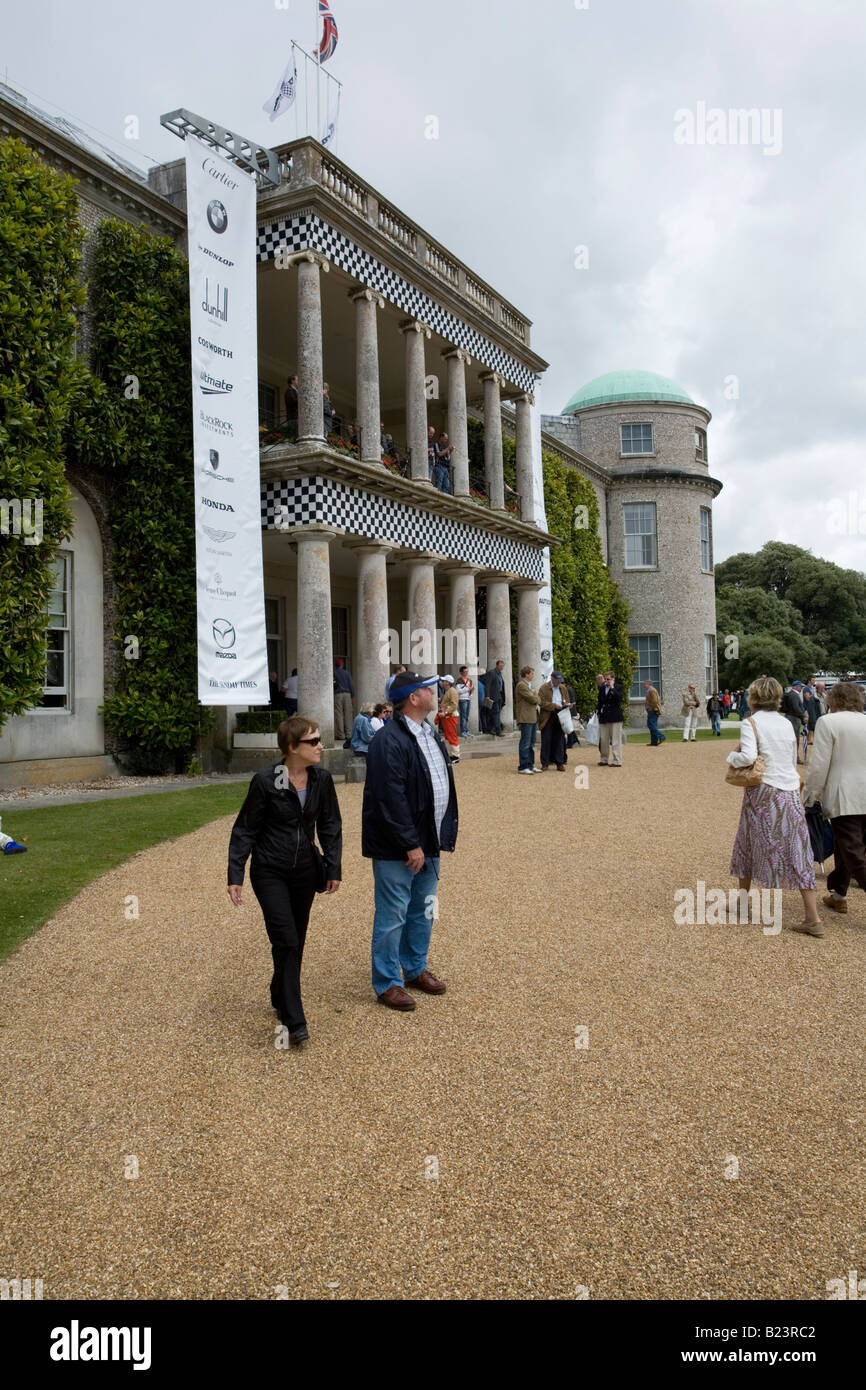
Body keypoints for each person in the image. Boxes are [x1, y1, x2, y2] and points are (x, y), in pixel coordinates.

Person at [227, 716, 342, 1044]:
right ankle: (294, 1019)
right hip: (269, 871)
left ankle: (279, 993)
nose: (321, 746)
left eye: (320, 740)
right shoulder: (266, 781)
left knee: (295, 941)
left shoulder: (322, 780)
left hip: (305, 872)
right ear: (292, 747)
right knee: (286, 939)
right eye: (314, 741)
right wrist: (235, 874)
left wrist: (333, 868)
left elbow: (331, 825)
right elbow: (245, 828)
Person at [362, 670, 457, 1010]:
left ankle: (415, 966)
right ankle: (387, 981)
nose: (435, 692)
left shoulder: (428, 732)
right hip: (399, 847)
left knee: (423, 910)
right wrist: (410, 843)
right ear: (414, 698)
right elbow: (390, 798)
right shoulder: (388, 740)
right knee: (393, 914)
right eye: (428, 689)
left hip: (428, 840)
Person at [726, 676, 821, 936]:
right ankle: (812, 916)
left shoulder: (751, 723)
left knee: (747, 840)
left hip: (763, 790)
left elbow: (746, 756)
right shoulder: (785, 723)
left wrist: (730, 755)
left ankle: (743, 901)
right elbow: (791, 759)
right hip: (789, 788)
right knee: (798, 848)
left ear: (753, 697)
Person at [803, 681, 866, 922]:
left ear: (834, 700)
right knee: (846, 848)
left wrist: (809, 797)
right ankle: (838, 895)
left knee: (854, 853)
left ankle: (839, 893)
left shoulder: (828, 722)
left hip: (846, 794)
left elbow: (819, 766)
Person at [538, 670, 573, 771]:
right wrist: (553, 706)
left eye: (560, 681)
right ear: (552, 679)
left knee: (559, 739)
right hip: (548, 715)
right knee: (546, 740)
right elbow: (541, 703)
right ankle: (545, 763)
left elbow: (567, 699)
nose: (559, 683)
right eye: (557, 680)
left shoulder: (563, 688)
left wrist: (567, 705)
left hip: (561, 714)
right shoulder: (544, 688)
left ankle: (559, 762)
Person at [515, 665, 542, 772]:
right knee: (525, 742)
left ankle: (530, 764)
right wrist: (534, 695)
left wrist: (534, 696)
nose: (533, 675)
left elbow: (538, 698)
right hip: (525, 717)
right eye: (531, 673)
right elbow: (532, 699)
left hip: (532, 716)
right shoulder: (521, 685)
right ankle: (523, 766)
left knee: (531, 743)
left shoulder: (529, 686)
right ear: (526, 674)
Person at [596, 671, 624, 766]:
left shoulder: (618, 687)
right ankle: (604, 759)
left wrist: (612, 687)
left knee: (616, 740)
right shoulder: (602, 688)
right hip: (604, 717)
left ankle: (617, 760)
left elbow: (619, 699)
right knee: (604, 739)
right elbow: (600, 701)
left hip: (615, 717)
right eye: (605, 679)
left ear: (613, 679)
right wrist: (598, 710)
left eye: (608, 679)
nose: (606, 681)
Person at [435, 674, 460, 763]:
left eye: (444, 681)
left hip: (450, 716)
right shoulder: (449, 691)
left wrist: (445, 712)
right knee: (448, 735)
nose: (442, 682)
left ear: (447, 683)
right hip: (448, 716)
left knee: (451, 735)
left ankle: (456, 755)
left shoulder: (452, 691)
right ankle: (452, 754)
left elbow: (454, 705)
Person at [781, 681, 807, 764]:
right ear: (795, 687)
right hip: (794, 718)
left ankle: (792, 756)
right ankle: (795, 757)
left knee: (791, 738)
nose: (801, 688)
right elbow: (796, 708)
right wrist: (803, 716)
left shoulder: (791, 694)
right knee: (795, 738)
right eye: (800, 687)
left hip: (790, 717)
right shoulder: (794, 695)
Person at [333, 659, 355, 747]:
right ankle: (349, 734)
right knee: (348, 714)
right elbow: (351, 685)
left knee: (339, 714)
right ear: (342, 665)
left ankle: (341, 735)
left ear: (335, 665)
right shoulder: (347, 673)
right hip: (347, 694)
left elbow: (333, 684)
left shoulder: (334, 673)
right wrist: (352, 696)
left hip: (338, 694)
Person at [485, 658, 506, 737]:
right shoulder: (492, 673)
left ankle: (490, 729)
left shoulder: (499, 674)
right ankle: (498, 731)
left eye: (502, 666)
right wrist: (487, 695)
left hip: (500, 696)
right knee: (496, 713)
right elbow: (488, 685)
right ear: (497, 665)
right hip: (493, 696)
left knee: (494, 713)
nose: (501, 667)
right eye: (500, 666)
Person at [644, 680, 666, 745]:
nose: (644, 685)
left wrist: (650, 708)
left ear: (649, 684)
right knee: (653, 725)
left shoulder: (652, 690)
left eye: (645, 684)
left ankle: (662, 736)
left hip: (653, 710)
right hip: (652, 710)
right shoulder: (650, 690)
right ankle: (654, 742)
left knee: (650, 725)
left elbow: (654, 701)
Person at [455, 665, 474, 738]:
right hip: (462, 699)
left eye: (467, 671)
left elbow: (469, 691)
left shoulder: (469, 680)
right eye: (465, 671)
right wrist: (467, 689)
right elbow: (457, 691)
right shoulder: (459, 680)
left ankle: (466, 730)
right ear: (461, 672)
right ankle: (463, 731)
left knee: (466, 716)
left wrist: (471, 691)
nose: (466, 673)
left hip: (468, 699)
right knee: (463, 716)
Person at [284, 374, 298, 439]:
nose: (299, 381)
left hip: (297, 416)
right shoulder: (289, 390)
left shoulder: (296, 391)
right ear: (292, 381)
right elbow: (292, 401)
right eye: (297, 380)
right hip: (293, 417)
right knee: (295, 435)